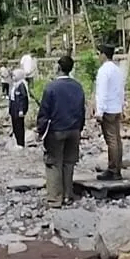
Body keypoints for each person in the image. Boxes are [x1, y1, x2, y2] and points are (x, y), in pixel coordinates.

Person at [37, 55, 86, 207]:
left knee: (53, 163)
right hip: (74, 129)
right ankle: (67, 195)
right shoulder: (78, 86)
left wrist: (40, 130)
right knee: (69, 163)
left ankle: (54, 198)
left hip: (56, 130)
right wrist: (79, 127)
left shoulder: (51, 87)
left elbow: (44, 112)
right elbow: (82, 110)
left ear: (58, 68)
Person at [94, 44, 126, 181]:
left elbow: (102, 92)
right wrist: (122, 106)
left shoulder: (103, 71)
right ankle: (117, 168)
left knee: (111, 140)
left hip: (107, 109)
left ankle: (113, 170)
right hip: (116, 107)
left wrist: (99, 111)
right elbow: (121, 90)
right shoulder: (117, 70)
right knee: (117, 140)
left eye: (99, 54)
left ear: (103, 54)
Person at [9, 68, 30, 149]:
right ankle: (17, 142)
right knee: (14, 125)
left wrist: (22, 110)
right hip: (13, 108)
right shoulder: (14, 85)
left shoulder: (22, 85)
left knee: (19, 126)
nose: (13, 77)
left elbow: (23, 99)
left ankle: (21, 143)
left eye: (14, 75)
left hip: (19, 110)